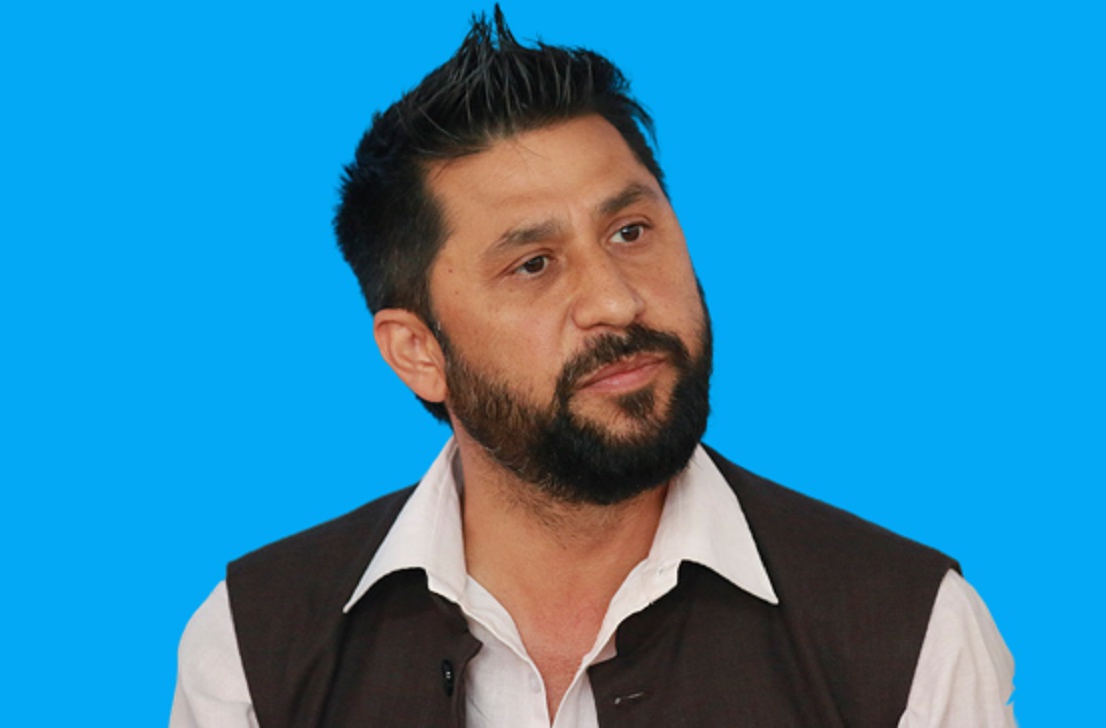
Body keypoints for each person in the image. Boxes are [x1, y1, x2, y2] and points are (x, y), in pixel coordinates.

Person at [171, 8, 1015, 728]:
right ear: (417, 352)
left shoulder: (908, 630)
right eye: (532, 264)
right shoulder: (256, 644)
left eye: (630, 232)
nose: (614, 299)